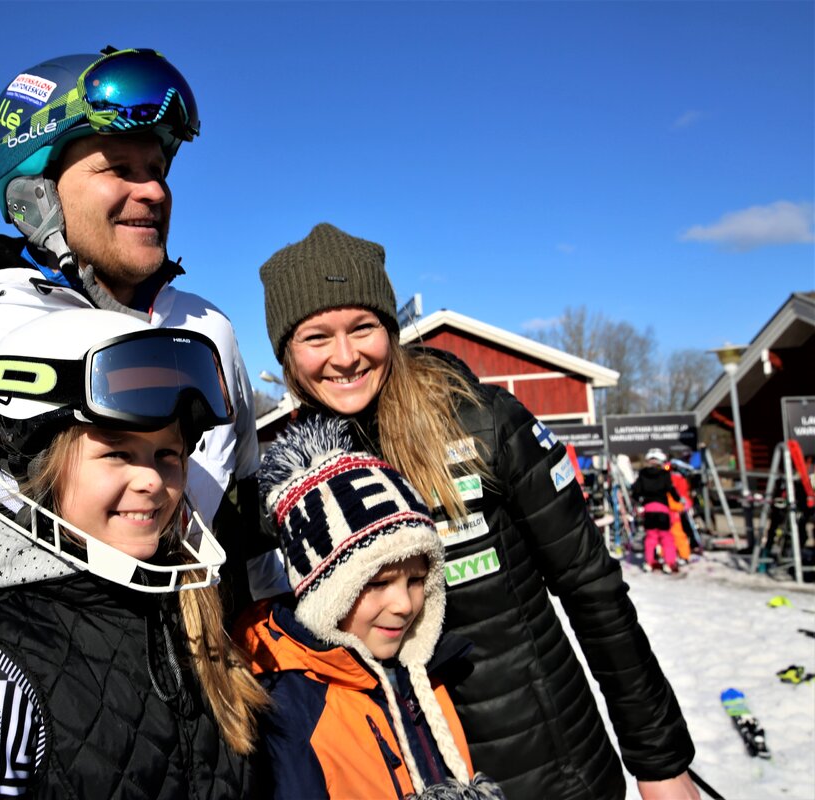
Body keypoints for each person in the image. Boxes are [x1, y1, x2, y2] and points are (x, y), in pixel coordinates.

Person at [0, 48, 284, 798]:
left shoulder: (209, 336)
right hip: (47, 747)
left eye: (158, 168)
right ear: (35, 190)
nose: (152, 191)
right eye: (118, 168)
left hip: (212, 742)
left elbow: (246, 540)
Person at [257, 223, 697, 800]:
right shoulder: (291, 482)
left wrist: (659, 761)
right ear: (287, 353)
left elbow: (593, 590)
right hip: (406, 774)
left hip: (547, 767)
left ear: (389, 329)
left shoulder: (484, 422)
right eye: (317, 337)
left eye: (363, 327)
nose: (345, 357)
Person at [0, 309, 267, 797]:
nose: (152, 480)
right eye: (117, 452)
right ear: (33, 462)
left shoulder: (184, 613)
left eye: (167, 455)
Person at [237, 414, 504, 799]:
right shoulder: (289, 711)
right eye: (378, 583)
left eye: (416, 581)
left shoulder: (423, 673)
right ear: (325, 593)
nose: (404, 604)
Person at [631, 449, 682, 574]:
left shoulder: (642, 474)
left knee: (650, 537)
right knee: (666, 538)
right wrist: (678, 498)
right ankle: (669, 563)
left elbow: (636, 490)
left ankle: (649, 562)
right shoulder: (664, 474)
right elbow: (671, 489)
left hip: (648, 510)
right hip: (662, 510)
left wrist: (640, 501)